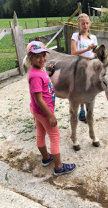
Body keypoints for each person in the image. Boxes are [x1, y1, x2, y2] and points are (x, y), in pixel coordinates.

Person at [26, 41, 76, 176]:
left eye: (43, 55)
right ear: (30, 58)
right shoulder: (36, 76)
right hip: (44, 112)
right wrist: (51, 115)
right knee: (55, 136)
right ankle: (59, 167)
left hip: (37, 111)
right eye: (38, 57)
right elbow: (39, 98)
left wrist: (47, 72)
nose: (42, 59)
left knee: (40, 133)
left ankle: (46, 158)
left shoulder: (38, 70)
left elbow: (41, 80)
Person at [71, 13, 98, 122]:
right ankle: (82, 109)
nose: (85, 25)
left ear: (89, 24)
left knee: (91, 88)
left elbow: (95, 53)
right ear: (79, 24)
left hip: (91, 66)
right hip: (80, 65)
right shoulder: (75, 36)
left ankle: (89, 110)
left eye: (87, 23)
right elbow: (73, 53)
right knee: (82, 89)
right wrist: (87, 50)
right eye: (83, 23)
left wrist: (96, 52)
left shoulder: (93, 37)